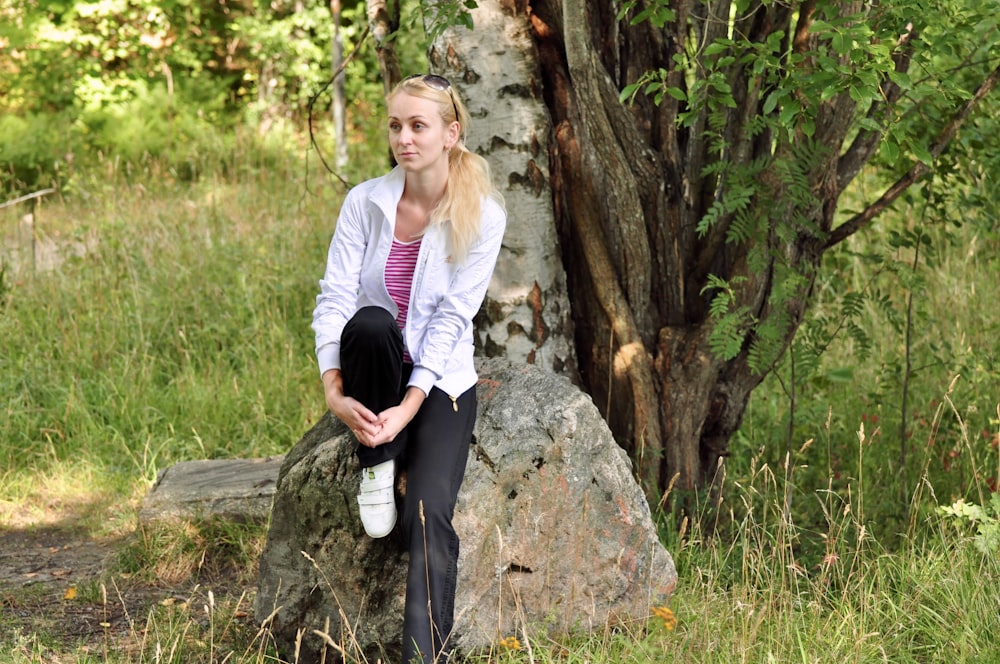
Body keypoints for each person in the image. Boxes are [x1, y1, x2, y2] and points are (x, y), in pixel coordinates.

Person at [311, 73, 506, 663]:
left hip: (441, 383)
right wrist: (333, 390)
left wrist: (410, 407)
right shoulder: (364, 201)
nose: (404, 138)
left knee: (428, 511)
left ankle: (425, 657)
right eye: (396, 125)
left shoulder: (482, 215)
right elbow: (334, 299)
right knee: (370, 320)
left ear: (451, 133)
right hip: (373, 369)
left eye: (418, 126)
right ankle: (375, 462)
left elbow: (453, 319)